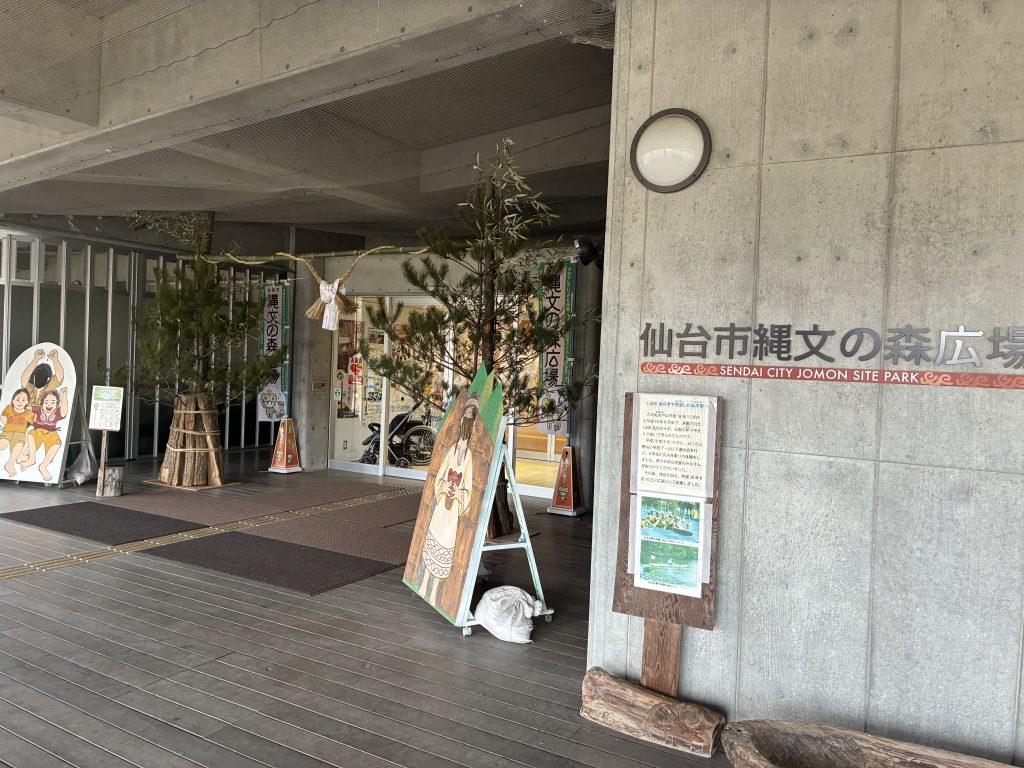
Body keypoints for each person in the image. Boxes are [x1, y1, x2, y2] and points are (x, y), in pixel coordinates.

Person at [417, 396, 478, 606]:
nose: (466, 424)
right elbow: (440, 476)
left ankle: (435, 591)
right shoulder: (452, 450)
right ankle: (424, 584)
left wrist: (459, 492)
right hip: (442, 506)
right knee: (433, 538)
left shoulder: (469, 456)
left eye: (470, 421)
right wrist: (444, 486)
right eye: (465, 420)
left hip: (452, 511)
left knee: (445, 545)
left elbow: (469, 487)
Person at [20, 387, 69, 481]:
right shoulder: (38, 409)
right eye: (46, 402)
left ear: (57, 405)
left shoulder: (57, 412)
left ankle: (44, 466)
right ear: (42, 403)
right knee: (31, 434)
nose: (49, 404)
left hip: (51, 433)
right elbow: (26, 407)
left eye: (53, 402)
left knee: (56, 444)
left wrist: (64, 397)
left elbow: (64, 411)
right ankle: (31, 458)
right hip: (38, 431)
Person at [0, 388, 32, 477]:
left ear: (27, 402)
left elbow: (31, 424)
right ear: (13, 400)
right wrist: (7, 425)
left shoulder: (28, 412)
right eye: (17, 399)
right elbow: (2, 416)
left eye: (23, 400)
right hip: (7, 431)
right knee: (2, 444)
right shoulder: (9, 407)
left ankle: (9, 464)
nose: (20, 402)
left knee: (18, 446)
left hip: (20, 434)